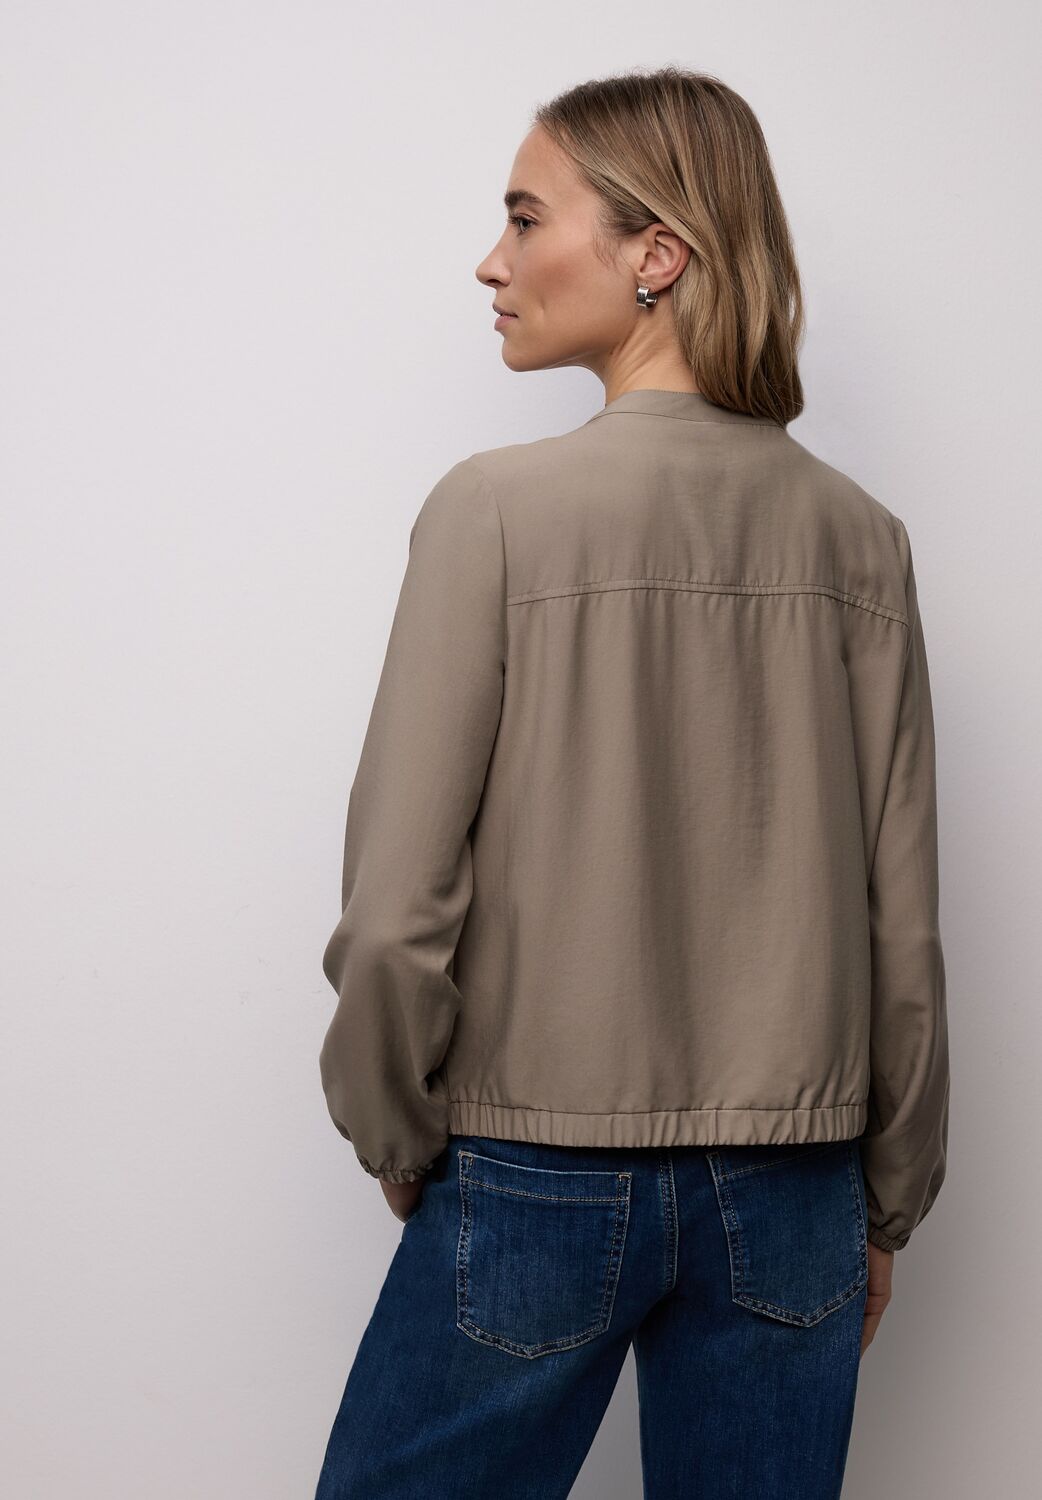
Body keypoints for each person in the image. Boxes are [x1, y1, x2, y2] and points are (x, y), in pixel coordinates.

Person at [313, 66, 950, 1500]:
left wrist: (394, 1124)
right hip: (796, 1185)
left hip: (534, 1164)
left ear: (656, 253)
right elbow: (901, 930)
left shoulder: (494, 513)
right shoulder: (861, 540)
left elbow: (399, 905)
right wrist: (886, 1200)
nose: (493, 261)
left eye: (525, 217)